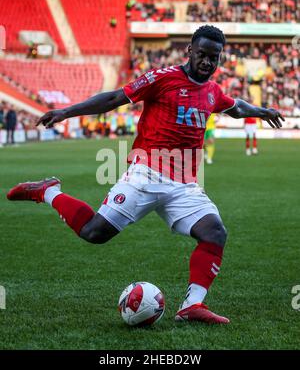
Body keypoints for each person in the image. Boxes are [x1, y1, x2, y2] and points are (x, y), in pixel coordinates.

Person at [7, 25, 284, 324]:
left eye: (214, 58)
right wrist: (65, 112)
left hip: (184, 185)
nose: (207, 62)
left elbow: (237, 107)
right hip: (146, 173)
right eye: (202, 55)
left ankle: (192, 305)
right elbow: (114, 98)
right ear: (189, 50)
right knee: (94, 233)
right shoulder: (162, 78)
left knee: (214, 233)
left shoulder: (213, 92)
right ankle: (48, 191)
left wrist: (262, 111)